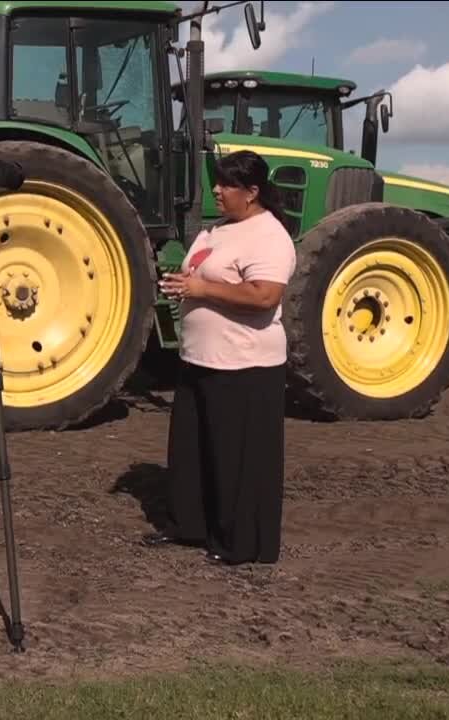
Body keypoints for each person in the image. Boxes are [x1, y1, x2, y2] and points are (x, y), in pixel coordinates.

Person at [145, 149, 296, 566]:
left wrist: (201, 291)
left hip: (244, 364)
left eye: (226, 184)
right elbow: (202, 276)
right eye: (217, 181)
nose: (217, 189)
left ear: (251, 192)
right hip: (202, 359)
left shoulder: (269, 237)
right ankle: (191, 527)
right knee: (194, 453)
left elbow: (264, 297)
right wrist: (181, 283)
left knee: (237, 459)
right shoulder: (217, 230)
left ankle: (239, 545)